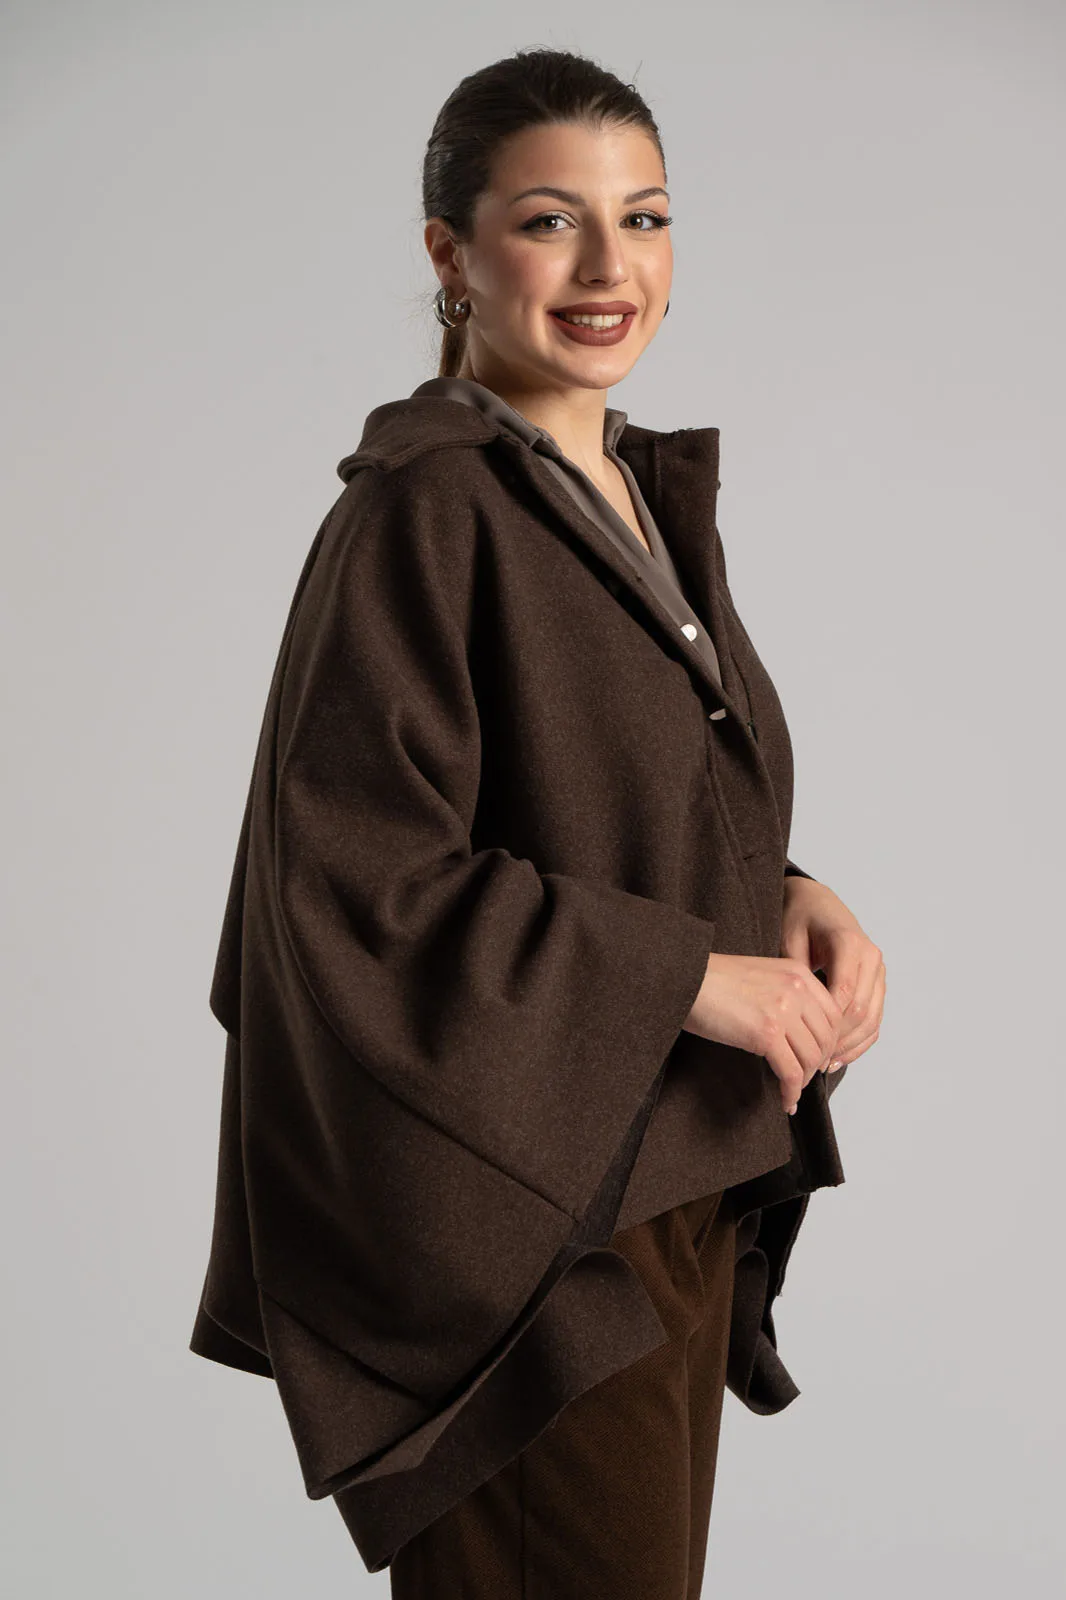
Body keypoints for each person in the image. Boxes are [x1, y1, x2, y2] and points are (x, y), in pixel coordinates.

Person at [189, 47, 885, 1597]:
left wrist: (784, 891)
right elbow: (357, 886)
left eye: (643, 218)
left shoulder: (629, 493)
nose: (607, 268)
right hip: (533, 1240)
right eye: (548, 221)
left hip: (666, 1181)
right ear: (449, 253)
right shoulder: (423, 510)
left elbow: (613, 797)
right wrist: (688, 975)